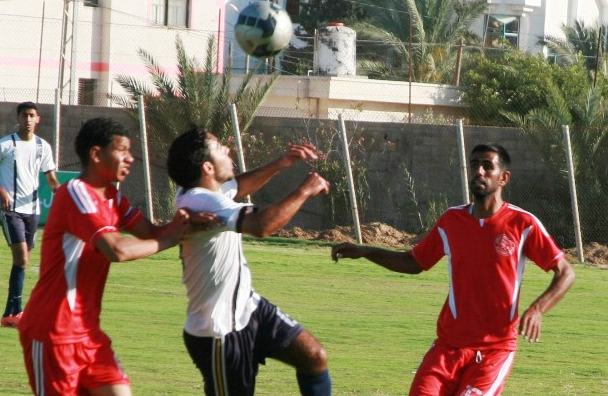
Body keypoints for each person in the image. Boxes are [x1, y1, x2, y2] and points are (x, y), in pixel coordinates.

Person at [332, 144, 575, 396]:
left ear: (503, 177)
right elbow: (414, 262)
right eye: (474, 165)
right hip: (448, 347)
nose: (478, 171)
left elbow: (565, 272)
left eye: (487, 166)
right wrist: (368, 251)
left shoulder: (522, 223)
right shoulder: (451, 221)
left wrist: (537, 309)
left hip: (494, 351)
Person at [18, 117, 194, 396]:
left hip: (89, 334)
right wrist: (170, 239)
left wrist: (191, 221)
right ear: (96, 154)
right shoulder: (76, 192)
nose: (130, 159)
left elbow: (151, 234)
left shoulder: (113, 197)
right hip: (53, 333)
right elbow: (116, 249)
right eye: (122, 150)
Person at [167, 127, 333, 396]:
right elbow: (261, 226)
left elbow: (238, 187)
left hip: (249, 307)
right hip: (218, 331)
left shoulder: (201, 191)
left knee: (314, 357)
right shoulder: (203, 200)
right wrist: (305, 190)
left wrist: (281, 163)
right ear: (208, 167)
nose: (227, 150)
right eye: (220, 148)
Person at [0, 101, 60, 328]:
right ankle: (19, 312)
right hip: (11, 211)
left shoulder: (43, 147)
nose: (27, 119)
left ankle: (9, 314)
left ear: (38, 119)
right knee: (22, 258)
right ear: (18, 118)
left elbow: (51, 178)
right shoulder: (4, 145)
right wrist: (0, 190)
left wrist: (61, 192)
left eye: (31, 115)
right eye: (24, 115)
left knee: (22, 263)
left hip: (32, 211)